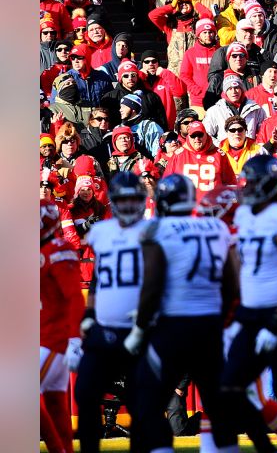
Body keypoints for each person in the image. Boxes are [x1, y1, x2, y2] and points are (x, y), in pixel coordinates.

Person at [124, 174, 237, 453]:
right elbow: (232, 283)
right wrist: (220, 319)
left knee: (148, 405)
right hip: (209, 326)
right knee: (218, 406)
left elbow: (151, 284)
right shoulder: (215, 228)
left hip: (172, 326)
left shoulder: (155, 229)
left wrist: (140, 328)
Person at [221, 155, 277, 453]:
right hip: (249, 313)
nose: (249, 187)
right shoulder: (245, 215)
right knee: (229, 386)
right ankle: (266, 448)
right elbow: (237, 265)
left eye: (255, 181)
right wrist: (230, 313)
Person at [75, 172, 147, 453]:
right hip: (104, 328)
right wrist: (90, 315)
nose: (128, 205)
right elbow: (97, 279)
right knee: (86, 392)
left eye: (133, 199)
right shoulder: (102, 231)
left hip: (137, 328)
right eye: (122, 199)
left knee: (143, 401)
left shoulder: (151, 232)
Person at [40, 198, 83, 453]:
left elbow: (74, 296)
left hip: (53, 340)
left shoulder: (57, 249)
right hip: (44, 337)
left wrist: (75, 338)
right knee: (55, 404)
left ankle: (57, 448)